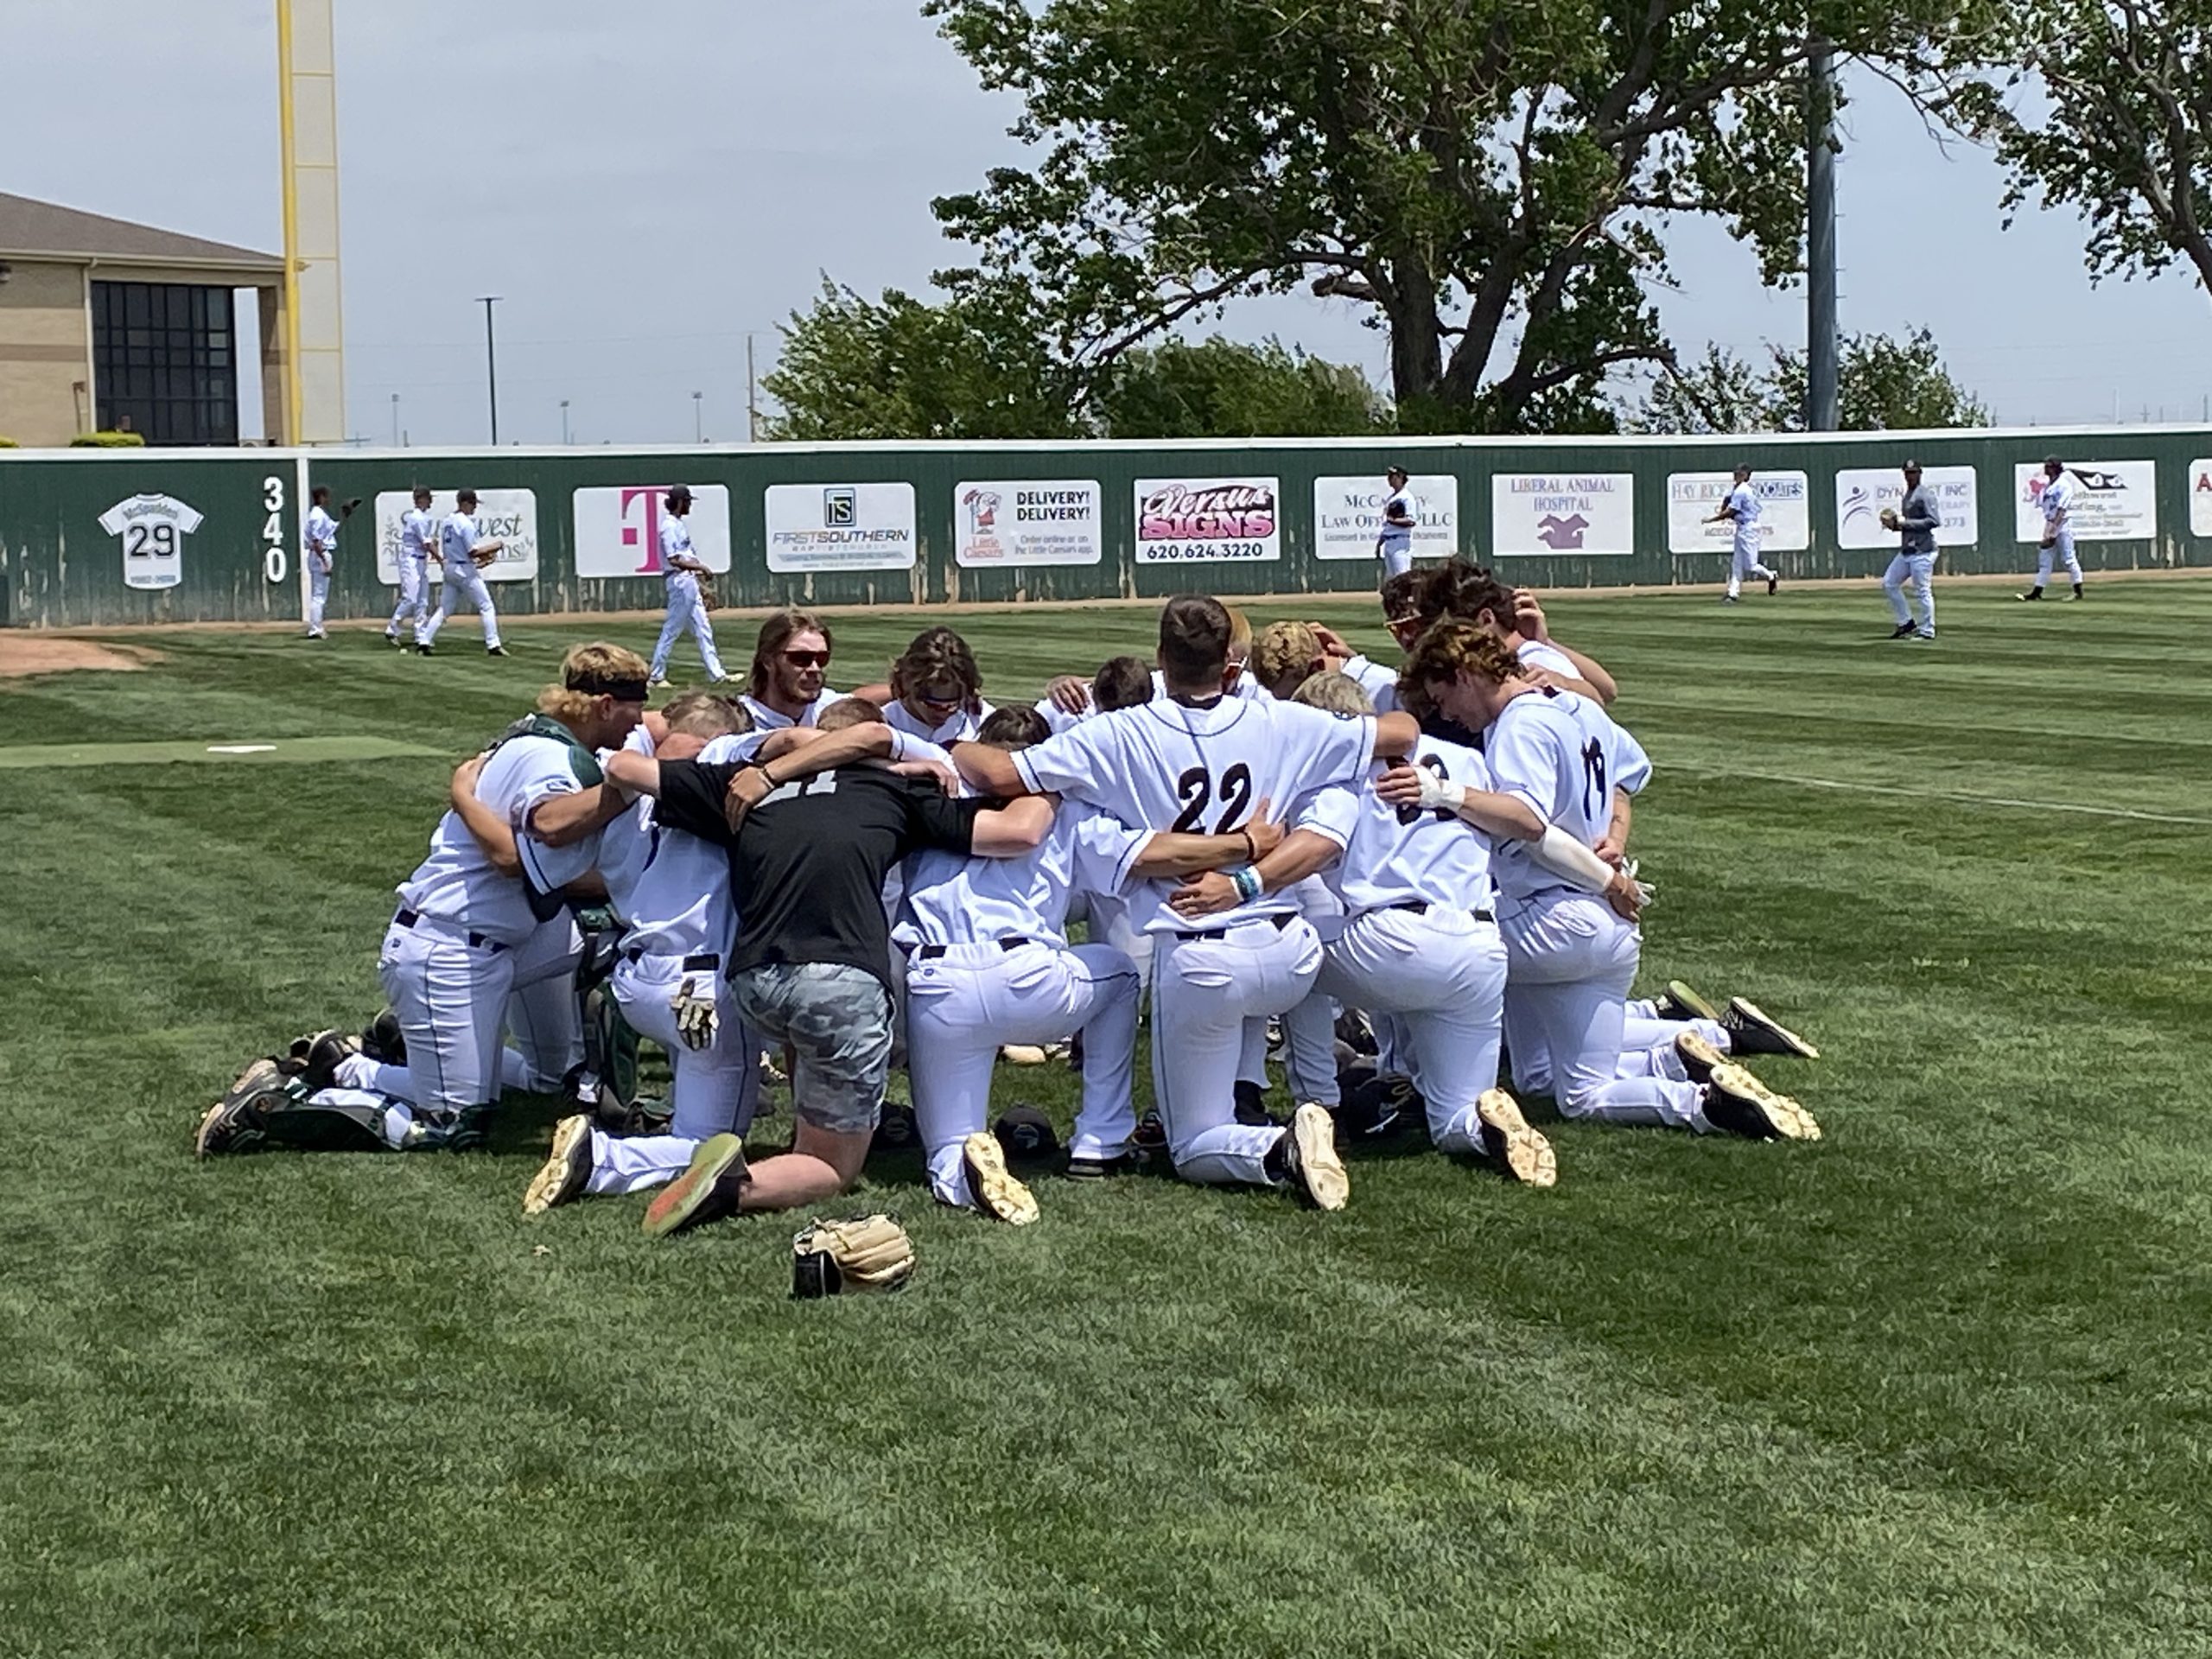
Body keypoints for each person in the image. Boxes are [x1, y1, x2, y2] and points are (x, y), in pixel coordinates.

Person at [950, 594, 1425, 1211]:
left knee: (1194, 1146)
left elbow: (998, 773)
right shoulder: (1280, 720)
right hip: (1288, 950)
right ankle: (1300, 1097)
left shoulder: (1120, 733)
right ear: (1229, 663)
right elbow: (1403, 731)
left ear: (1161, 659)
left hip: (1202, 953)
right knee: (1256, 998)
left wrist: (957, 752)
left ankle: (1277, 1149)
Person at [604, 712, 1053, 1235]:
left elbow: (622, 767)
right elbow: (1018, 833)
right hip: (842, 982)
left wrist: (768, 760)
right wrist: (1055, 787)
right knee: (833, 1167)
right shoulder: (893, 789)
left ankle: (779, 1131)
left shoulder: (742, 784)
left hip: (755, 982)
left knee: (807, 1032)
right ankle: (733, 1185)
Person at [1396, 622, 1819, 1142]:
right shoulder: (1572, 707)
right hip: (1610, 930)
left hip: (1551, 918)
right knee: (1571, 1089)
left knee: (1424, 950)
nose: (1445, 715)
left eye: (1443, 698)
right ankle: (1702, 1097)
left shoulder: (1518, 725)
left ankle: (1404, 1082)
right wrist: (1613, 849)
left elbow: (1528, 822)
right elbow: (1628, 777)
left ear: (1465, 674)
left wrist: (1444, 792)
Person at [1168, 671, 1561, 1184]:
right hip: (1481, 947)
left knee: (1291, 955)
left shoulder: (1335, 773)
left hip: (1393, 944)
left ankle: (1321, 1106)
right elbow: (1526, 828)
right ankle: (1482, 1126)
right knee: (1451, 1121)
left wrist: (1242, 874)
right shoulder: (1467, 761)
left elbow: (1309, 852)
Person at [902, 704, 1294, 1210]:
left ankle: (959, 1172)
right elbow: (1152, 855)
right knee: (1121, 974)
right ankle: (1100, 1142)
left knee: (948, 1150)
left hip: (937, 985)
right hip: (1028, 981)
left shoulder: (935, 798)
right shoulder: (1065, 808)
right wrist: (1241, 845)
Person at [646, 485, 728, 686]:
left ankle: (716, 674)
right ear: (681, 502)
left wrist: (699, 581)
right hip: (679, 580)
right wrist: (701, 568)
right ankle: (656, 675)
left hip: (687, 580)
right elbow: (674, 559)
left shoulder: (677, 524)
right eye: (688, 501)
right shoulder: (669, 526)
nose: (690, 505)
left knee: (703, 628)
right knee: (672, 628)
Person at [421, 487, 506, 657]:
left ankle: (424, 640)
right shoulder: (465, 523)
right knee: (486, 606)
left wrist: (481, 560)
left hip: (450, 566)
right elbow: (473, 552)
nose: (475, 508)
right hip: (463, 569)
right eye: (473, 504)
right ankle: (493, 644)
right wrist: (495, 546)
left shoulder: (447, 521)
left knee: (444, 608)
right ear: (465, 503)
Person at [739, 608, 842, 729]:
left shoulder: (828, 706)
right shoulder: (740, 721)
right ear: (768, 661)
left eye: (822, 658)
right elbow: (790, 740)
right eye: (800, 658)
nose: (814, 668)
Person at [1883, 460, 1940, 641]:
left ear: (1920, 474)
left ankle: (1927, 630)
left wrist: (1904, 523)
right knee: (1889, 583)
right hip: (1908, 550)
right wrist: (1896, 526)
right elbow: (1908, 525)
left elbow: (1934, 521)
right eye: (1907, 472)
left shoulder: (1925, 495)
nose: (1910, 476)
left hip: (1923, 551)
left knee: (1923, 591)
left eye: (1913, 472)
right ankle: (1906, 622)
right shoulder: (1908, 494)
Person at [2021, 455, 2086, 602]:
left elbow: (2062, 510)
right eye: (2046, 465)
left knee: (2069, 559)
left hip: (2063, 524)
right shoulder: (2047, 486)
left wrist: (2052, 530)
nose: (2046, 468)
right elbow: (2044, 508)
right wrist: (2048, 530)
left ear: (2056, 468)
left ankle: (2078, 591)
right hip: (2050, 522)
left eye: (2049, 466)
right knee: (2044, 560)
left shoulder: (2064, 485)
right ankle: (2036, 593)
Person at [1711, 461, 1778, 603]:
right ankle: (1733, 593)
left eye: (1741, 473)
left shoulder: (1743, 490)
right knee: (1736, 563)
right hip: (1742, 527)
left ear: (1747, 476)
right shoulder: (1738, 489)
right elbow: (1728, 500)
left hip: (1749, 528)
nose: (1737, 475)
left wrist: (1714, 519)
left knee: (1750, 566)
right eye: (1736, 472)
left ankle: (1771, 576)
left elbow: (1731, 510)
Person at [387, 486, 436, 647]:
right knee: (411, 598)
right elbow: (427, 543)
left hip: (420, 560)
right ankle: (392, 628)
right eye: (428, 498)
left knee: (422, 599)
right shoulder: (417, 518)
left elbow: (427, 544)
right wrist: (441, 559)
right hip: (411, 560)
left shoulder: (423, 517)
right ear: (421, 499)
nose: (430, 501)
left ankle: (420, 634)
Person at [302, 485, 337, 640]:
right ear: (321, 497)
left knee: (320, 594)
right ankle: (315, 628)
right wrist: (324, 560)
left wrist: (345, 514)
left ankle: (316, 626)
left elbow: (332, 529)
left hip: (320, 553)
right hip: (319, 554)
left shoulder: (320, 514)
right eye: (326, 496)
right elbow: (316, 541)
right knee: (319, 595)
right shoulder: (316, 515)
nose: (328, 499)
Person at [1375, 464, 1417, 581]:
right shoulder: (1392, 497)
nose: (1390, 479)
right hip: (1389, 542)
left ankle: (1409, 599)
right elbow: (1387, 525)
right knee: (1392, 581)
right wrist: (1380, 543)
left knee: (1403, 578)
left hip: (1400, 543)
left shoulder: (1407, 498)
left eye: (1393, 476)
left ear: (1401, 477)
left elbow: (1411, 521)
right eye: (1389, 476)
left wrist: (1393, 520)